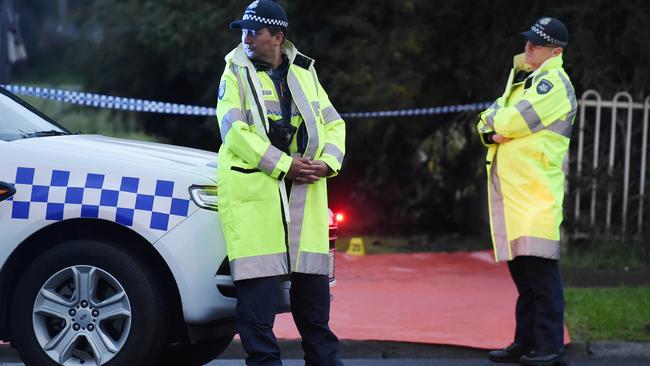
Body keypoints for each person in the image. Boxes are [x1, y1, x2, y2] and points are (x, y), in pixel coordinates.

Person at [215, 1, 346, 365]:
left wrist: (328, 164)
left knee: (315, 306)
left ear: (277, 37)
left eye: (253, 31)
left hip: (304, 194)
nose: (246, 38)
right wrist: (285, 165)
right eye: (243, 30)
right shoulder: (234, 72)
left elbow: (334, 124)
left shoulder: (305, 72)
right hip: (257, 196)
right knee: (257, 308)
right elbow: (234, 132)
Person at [476, 17, 576, 366]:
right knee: (524, 276)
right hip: (516, 198)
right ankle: (527, 341)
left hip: (535, 198)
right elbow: (485, 122)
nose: (528, 47)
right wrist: (493, 127)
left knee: (542, 276)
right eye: (528, 41)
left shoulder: (553, 84)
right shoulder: (524, 79)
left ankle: (550, 347)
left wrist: (498, 124)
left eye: (537, 44)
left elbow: (507, 121)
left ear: (556, 51)